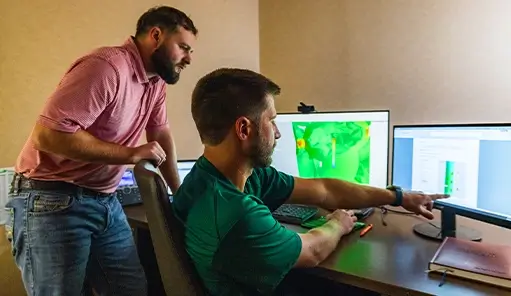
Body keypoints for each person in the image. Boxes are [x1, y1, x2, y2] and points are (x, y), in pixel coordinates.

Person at [172, 68, 448, 296]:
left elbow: (324, 190)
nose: (278, 133)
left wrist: (397, 197)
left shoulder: (206, 178)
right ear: (244, 129)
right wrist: (338, 223)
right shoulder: (235, 212)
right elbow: (313, 250)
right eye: (272, 120)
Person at [4, 6, 197, 296]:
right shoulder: (106, 67)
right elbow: (49, 135)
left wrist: (178, 194)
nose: (189, 58)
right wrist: (129, 154)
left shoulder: (154, 81)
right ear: (156, 36)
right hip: (51, 198)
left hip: (105, 200)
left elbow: (159, 133)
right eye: (183, 47)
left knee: (130, 290)